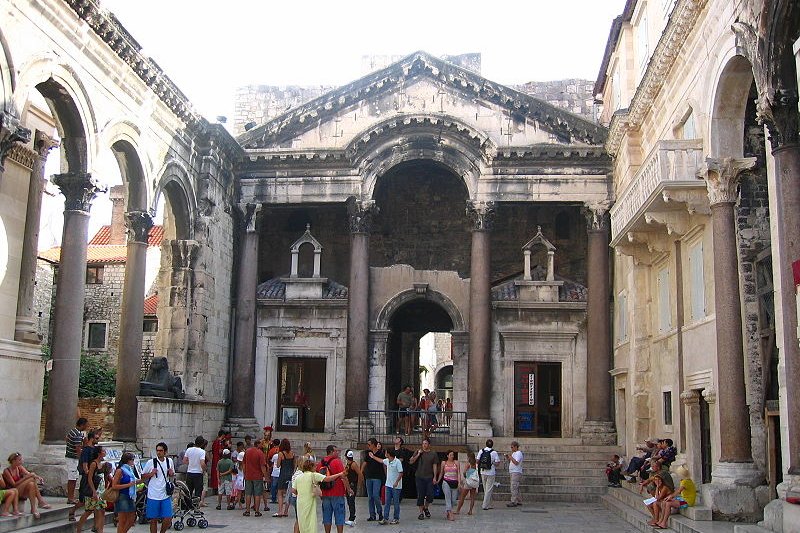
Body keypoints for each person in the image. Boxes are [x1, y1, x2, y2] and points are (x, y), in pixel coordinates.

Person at [293, 458, 347, 533]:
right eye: (314, 466)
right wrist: (339, 474)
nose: (316, 468)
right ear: (311, 467)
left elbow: (294, 490)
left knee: (302, 520)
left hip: (300, 502)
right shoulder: (313, 475)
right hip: (309, 502)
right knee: (310, 521)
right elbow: (328, 479)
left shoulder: (298, 477)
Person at [140, 442, 175, 533]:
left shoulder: (169, 461)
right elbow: (143, 476)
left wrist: (171, 474)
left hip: (165, 494)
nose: (158, 452)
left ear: (165, 452)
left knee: (168, 517)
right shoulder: (151, 462)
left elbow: (172, 475)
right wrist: (151, 474)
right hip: (153, 494)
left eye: (161, 451)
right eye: (157, 450)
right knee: (153, 519)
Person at [2, 452, 49, 517]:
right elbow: (14, 485)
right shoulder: (6, 471)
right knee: (31, 479)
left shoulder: (19, 467)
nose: (21, 461)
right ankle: (40, 501)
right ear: (13, 461)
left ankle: (33, 508)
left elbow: (28, 473)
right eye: (19, 460)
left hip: (20, 490)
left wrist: (38, 477)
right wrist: (27, 477)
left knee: (31, 484)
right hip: (14, 491)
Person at [318, 445, 350, 533]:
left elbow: (317, 478)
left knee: (326, 516)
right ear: (331, 452)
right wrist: (348, 489)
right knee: (339, 515)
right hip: (337, 492)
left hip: (325, 493)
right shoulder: (337, 462)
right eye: (336, 451)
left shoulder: (321, 463)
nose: (338, 453)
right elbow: (343, 477)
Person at [76, 446, 107, 533]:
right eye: (103, 451)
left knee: (102, 511)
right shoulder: (94, 464)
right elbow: (89, 478)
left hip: (101, 491)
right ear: (99, 453)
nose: (105, 452)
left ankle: (100, 529)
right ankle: (78, 529)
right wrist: (94, 491)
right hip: (94, 492)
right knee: (88, 511)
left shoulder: (102, 464)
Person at [369, 447, 402, 524]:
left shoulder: (397, 462)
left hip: (396, 486)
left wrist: (397, 482)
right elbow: (381, 461)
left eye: (386, 452)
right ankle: (385, 518)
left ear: (389, 454)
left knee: (396, 502)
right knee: (387, 502)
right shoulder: (387, 461)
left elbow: (401, 472)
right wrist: (373, 457)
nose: (385, 454)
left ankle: (396, 518)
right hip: (388, 485)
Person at [409, 438, 438, 520]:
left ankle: (426, 507)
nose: (424, 445)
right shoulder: (418, 452)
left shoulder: (433, 454)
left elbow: (435, 465)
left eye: (425, 443)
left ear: (429, 445)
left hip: (429, 476)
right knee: (420, 494)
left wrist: (435, 476)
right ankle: (421, 512)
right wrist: (418, 454)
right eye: (423, 444)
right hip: (419, 476)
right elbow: (411, 461)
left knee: (430, 494)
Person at [111, 452, 140, 533]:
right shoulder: (120, 471)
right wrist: (128, 485)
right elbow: (114, 485)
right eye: (132, 460)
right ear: (128, 460)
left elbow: (134, 482)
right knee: (122, 520)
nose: (133, 462)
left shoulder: (129, 470)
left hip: (130, 496)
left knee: (131, 519)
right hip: (122, 496)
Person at [242, 438, 268, 516]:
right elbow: (262, 466)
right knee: (257, 494)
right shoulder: (260, 453)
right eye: (261, 444)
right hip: (257, 476)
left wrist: (244, 473)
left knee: (248, 493)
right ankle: (257, 511)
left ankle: (247, 510)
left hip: (248, 475)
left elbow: (244, 464)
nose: (262, 445)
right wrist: (266, 476)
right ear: (258, 444)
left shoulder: (247, 451)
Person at [361, 438, 385, 522]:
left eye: (369, 444)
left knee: (375, 495)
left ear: (374, 445)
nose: (368, 446)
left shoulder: (380, 453)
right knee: (370, 497)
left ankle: (380, 513)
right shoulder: (368, 454)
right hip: (369, 476)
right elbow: (365, 462)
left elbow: (383, 463)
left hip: (377, 477)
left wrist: (385, 475)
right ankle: (372, 515)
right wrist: (361, 472)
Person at [66, 417, 88, 505]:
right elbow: (78, 448)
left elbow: (67, 438)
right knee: (72, 478)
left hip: (71, 456)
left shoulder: (73, 431)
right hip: (73, 458)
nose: (86, 427)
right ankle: (70, 498)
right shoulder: (77, 434)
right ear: (82, 425)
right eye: (86, 425)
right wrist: (81, 460)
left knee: (73, 478)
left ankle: (71, 497)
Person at [435, 450, 460, 521]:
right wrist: (438, 481)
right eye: (451, 455)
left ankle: (448, 511)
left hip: (454, 482)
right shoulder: (444, 463)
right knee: (448, 497)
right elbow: (441, 473)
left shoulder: (456, 462)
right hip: (446, 482)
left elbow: (458, 473)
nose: (452, 456)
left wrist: (459, 482)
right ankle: (450, 512)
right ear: (447, 456)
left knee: (454, 500)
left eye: (453, 455)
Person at [477, 439, 500, 510]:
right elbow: (497, 463)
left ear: (486, 444)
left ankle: (489, 504)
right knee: (488, 489)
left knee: (485, 489)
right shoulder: (494, 452)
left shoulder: (481, 451)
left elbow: (477, 461)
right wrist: (492, 463)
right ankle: (485, 505)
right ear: (492, 445)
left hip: (483, 471)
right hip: (491, 472)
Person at [275, 439, 296, 517]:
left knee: (280, 493)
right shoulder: (292, 453)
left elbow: (278, 465)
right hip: (290, 474)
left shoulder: (280, 454)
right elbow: (294, 465)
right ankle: (286, 511)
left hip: (283, 474)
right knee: (288, 493)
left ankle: (280, 511)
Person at [183, 436, 207, 501]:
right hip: (198, 473)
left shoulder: (189, 450)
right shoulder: (202, 451)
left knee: (189, 491)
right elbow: (202, 463)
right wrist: (204, 470)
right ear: (202, 444)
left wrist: (191, 463)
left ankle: (188, 506)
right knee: (198, 492)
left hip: (189, 472)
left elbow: (184, 461)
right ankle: (196, 507)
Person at [343, 450, 363, 526]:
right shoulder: (348, 464)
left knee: (351, 502)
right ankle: (351, 517)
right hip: (349, 485)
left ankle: (352, 518)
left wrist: (359, 485)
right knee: (349, 501)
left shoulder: (353, 464)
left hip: (352, 485)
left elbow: (360, 474)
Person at [506, 441, 524, 506]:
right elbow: (511, 461)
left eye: (512, 447)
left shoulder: (519, 453)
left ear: (516, 447)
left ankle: (513, 501)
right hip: (512, 471)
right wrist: (508, 458)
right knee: (516, 487)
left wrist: (510, 457)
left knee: (513, 487)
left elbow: (516, 462)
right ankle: (519, 500)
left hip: (516, 472)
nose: (511, 448)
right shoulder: (514, 453)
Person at [210, 430, 226, 495]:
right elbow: (219, 451)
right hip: (218, 459)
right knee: (217, 472)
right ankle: (217, 487)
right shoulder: (219, 442)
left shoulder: (215, 442)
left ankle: (215, 486)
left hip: (215, 459)